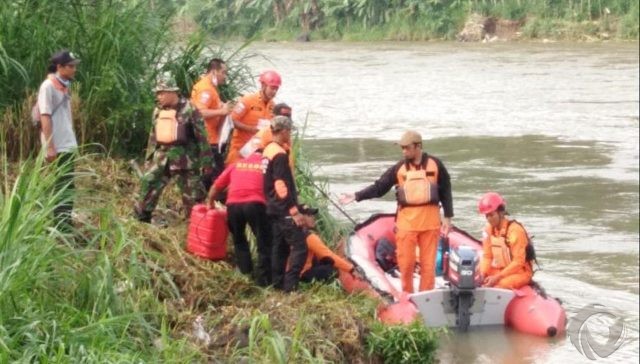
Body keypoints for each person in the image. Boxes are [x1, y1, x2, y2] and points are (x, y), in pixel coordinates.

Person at [339, 130, 453, 293]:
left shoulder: (436, 165)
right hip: (406, 224)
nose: (404, 151)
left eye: (407, 148)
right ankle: (407, 296)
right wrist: (356, 196)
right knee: (406, 265)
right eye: (402, 148)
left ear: (418, 146)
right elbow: (379, 187)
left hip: (430, 224)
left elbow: (446, 190)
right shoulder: (399, 168)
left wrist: (448, 216)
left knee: (428, 266)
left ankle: (426, 296)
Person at [133, 74, 213, 223]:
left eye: (161, 93)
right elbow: (153, 137)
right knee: (148, 184)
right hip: (161, 158)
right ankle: (141, 219)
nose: (159, 96)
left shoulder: (190, 110)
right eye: (157, 93)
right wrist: (148, 161)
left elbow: (202, 137)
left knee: (193, 197)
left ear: (172, 92)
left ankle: (197, 226)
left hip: (185, 161)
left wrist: (207, 162)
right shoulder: (158, 111)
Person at [207, 150, 271, 286]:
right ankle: (263, 280)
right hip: (255, 204)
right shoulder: (266, 165)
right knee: (263, 241)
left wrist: (210, 203)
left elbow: (216, 187)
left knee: (239, 240)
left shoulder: (237, 164)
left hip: (233, 205)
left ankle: (246, 272)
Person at [262, 115, 307, 292]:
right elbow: (281, 185)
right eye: (290, 131)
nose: (290, 136)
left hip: (272, 206)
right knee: (299, 247)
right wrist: (294, 210)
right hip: (283, 208)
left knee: (279, 247)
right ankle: (291, 286)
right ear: (284, 131)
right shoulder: (279, 155)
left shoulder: (268, 150)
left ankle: (277, 283)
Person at [37, 49, 80, 232]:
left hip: (67, 145)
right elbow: (45, 116)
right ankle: (61, 226)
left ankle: (65, 223)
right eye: (70, 66)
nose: (74, 69)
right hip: (58, 146)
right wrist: (50, 147)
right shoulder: (48, 86)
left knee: (68, 185)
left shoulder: (63, 85)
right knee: (62, 186)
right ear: (59, 67)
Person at [191, 58, 233, 190]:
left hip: (208, 137)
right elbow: (200, 112)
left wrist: (223, 107)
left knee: (212, 173)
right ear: (214, 72)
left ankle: (203, 199)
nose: (225, 77)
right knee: (215, 175)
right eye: (223, 72)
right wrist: (222, 111)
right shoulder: (206, 89)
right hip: (208, 139)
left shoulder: (208, 87)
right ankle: (206, 201)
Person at [477, 192, 534, 289]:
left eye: (491, 215)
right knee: (477, 276)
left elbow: (518, 262)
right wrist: (482, 274)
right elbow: (487, 256)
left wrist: (497, 277)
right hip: (501, 269)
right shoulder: (488, 229)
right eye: (486, 216)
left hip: (520, 272)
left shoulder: (515, 231)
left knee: (500, 285)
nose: (489, 219)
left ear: (501, 212)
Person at [225, 70, 281, 166]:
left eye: (276, 89)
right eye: (272, 88)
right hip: (240, 150)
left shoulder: (273, 106)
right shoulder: (247, 100)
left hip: (258, 152)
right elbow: (232, 120)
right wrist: (252, 129)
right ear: (263, 85)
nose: (274, 92)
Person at [294, 206, 357, 283]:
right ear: (300, 217)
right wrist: (351, 269)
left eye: (313, 215)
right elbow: (328, 255)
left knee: (324, 260)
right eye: (309, 215)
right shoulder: (309, 237)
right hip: (301, 275)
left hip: (293, 273)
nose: (313, 218)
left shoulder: (292, 232)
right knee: (331, 270)